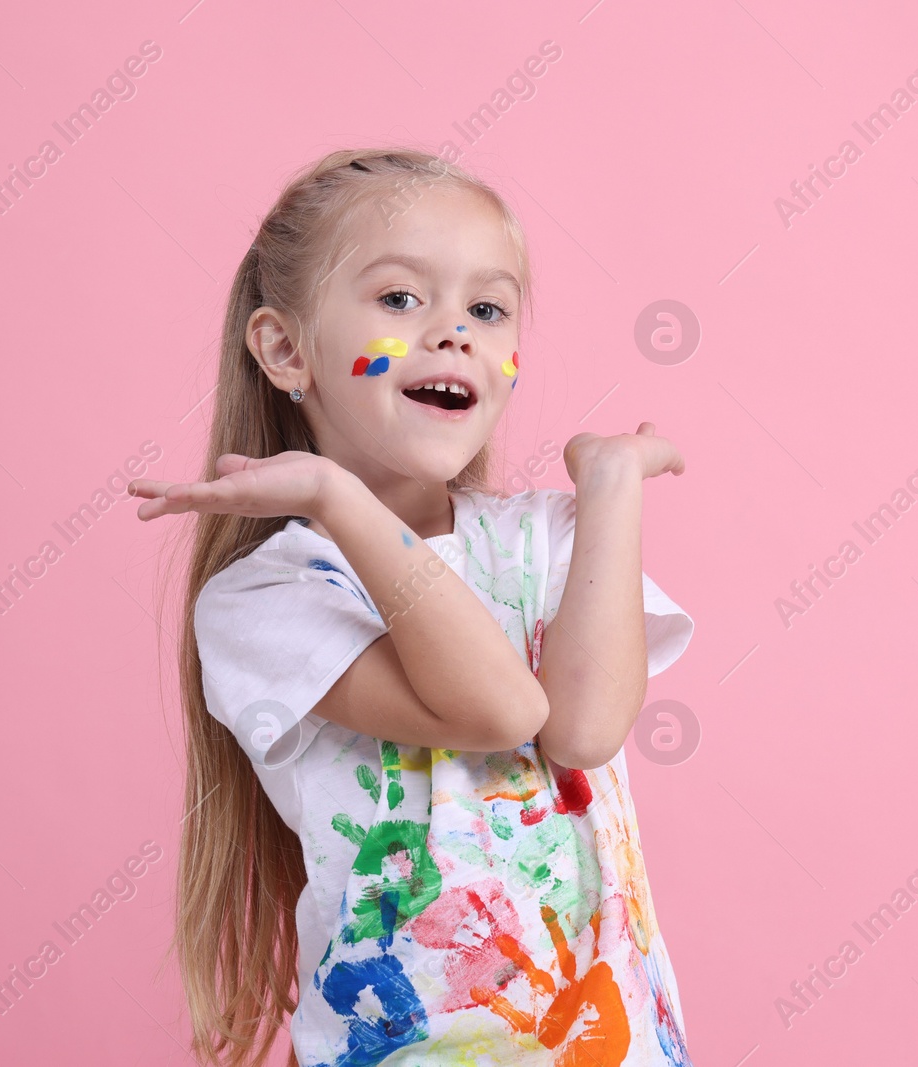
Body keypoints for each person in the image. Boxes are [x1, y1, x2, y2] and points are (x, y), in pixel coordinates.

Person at [130, 147, 696, 1066]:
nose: (455, 333)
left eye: (488, 307)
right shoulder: (266, 596)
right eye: (400, 299)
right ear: (285, 349)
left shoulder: (549, 540)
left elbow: (584, 729)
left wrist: (613, 483)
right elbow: (501, 711)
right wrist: (335, 498)